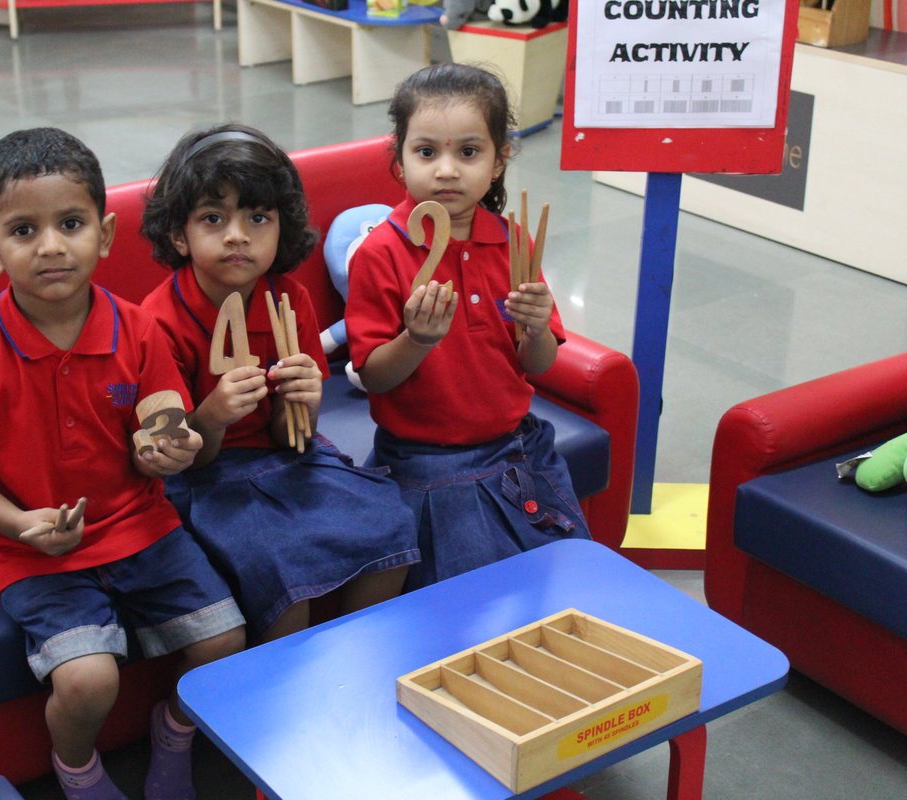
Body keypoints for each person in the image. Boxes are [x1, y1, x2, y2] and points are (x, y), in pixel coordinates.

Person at [0, 127, 246, 800]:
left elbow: (163, 427)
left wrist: (172, 449)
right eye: (23, 230)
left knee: (225, 644)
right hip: (33, 555)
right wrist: (19, 523)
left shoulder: (139, 331)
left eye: (70, 224)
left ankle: (174, 732)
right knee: (87, 680)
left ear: (105, 233)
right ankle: (77, 769)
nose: (50, 246)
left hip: (143, 530)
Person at [139, 123, 420, 644]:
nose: (237, 235)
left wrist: (305, 402)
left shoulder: (289, 300)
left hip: (286, 459)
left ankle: (356, 653)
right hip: (207, 478)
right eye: (213, 218)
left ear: (281, 229)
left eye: (258, 217)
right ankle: (285, 682)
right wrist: (213, 414)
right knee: (278, 562)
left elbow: (295, 438)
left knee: (391, 523)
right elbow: (184, 460)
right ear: (179, 234)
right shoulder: (157, 322)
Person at [345, 63, 591, 591]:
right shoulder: (381, 252)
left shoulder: (514, 243)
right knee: (469, 603)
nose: (447, 171)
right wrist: (417, 340)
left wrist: (536, 329)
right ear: (399, 159)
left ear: (500, 159)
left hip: (515, 449)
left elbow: (538, 364)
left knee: (559, 584)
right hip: (423, 461)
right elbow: (374, 376)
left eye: (469, 152)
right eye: (426, 152)